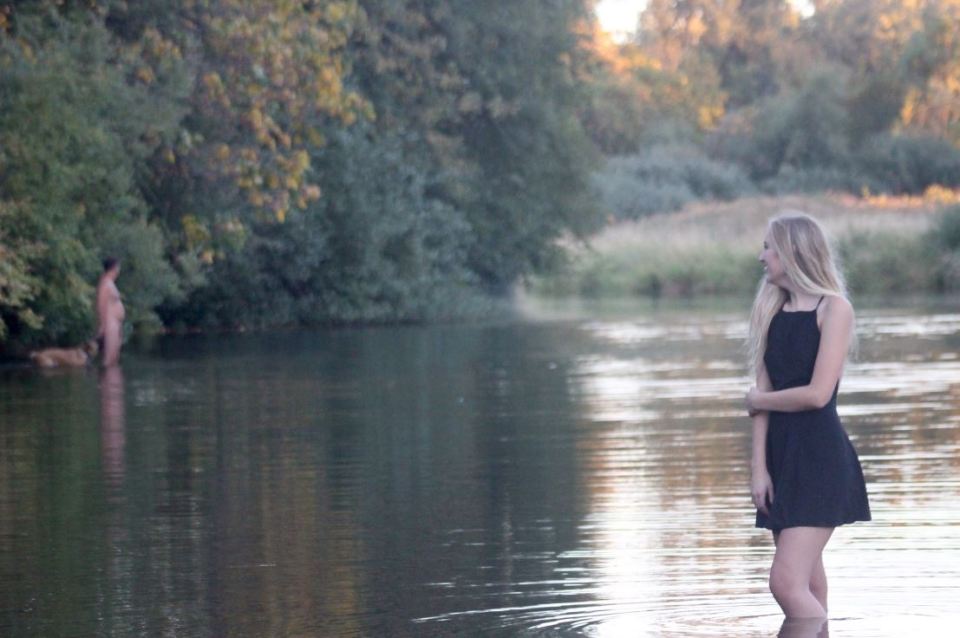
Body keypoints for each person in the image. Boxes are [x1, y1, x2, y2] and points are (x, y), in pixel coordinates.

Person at [744, 212, 870, 619]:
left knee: (785, 582)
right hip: (782, 461)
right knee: (810, 584)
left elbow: (818, 395)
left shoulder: (834, 310)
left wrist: (761, 400)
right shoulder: (770, 313)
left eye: (768, 247)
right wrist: (759, 468)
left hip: (820, 458)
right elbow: (760, 396)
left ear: (792, 251)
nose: (762, 256)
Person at [96, 257, 125, 367]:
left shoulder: (111, 283)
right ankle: (108, 382)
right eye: (118, 267)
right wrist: (103, 325)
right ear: (114, 268)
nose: (119, 269)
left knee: (115, 357)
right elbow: (101, 304)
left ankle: (114, 382)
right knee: (109, 358)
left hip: (116, 323)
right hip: (110, 323)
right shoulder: (105, 283)